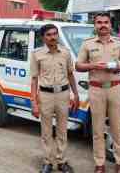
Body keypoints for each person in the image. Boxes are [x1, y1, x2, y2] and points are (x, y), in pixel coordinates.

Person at [76, 12, 120, 173]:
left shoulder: (118, 43)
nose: (102, 25)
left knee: (117, 128)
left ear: (110, 24)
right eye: (99, 22)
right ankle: (99, 164)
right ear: (95, 26)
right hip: (96, 89)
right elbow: (78, 65)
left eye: (105, 22)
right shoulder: (87, 44)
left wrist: (117, 67)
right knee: (98, 130)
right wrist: (94, 66)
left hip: (114, 88)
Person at [30, 24, 79, 173]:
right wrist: (34, 102)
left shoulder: (65, 53)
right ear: (43, 37)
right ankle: (47, 162)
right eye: (49, 34)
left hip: (63, 95)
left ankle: (61, 161)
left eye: (55, 34)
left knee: (62, 130)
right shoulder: (36, 54)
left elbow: (70, 74)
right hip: (45, 95)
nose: (53, 37)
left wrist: (75, 94)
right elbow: (34, 79)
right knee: (46, 131)